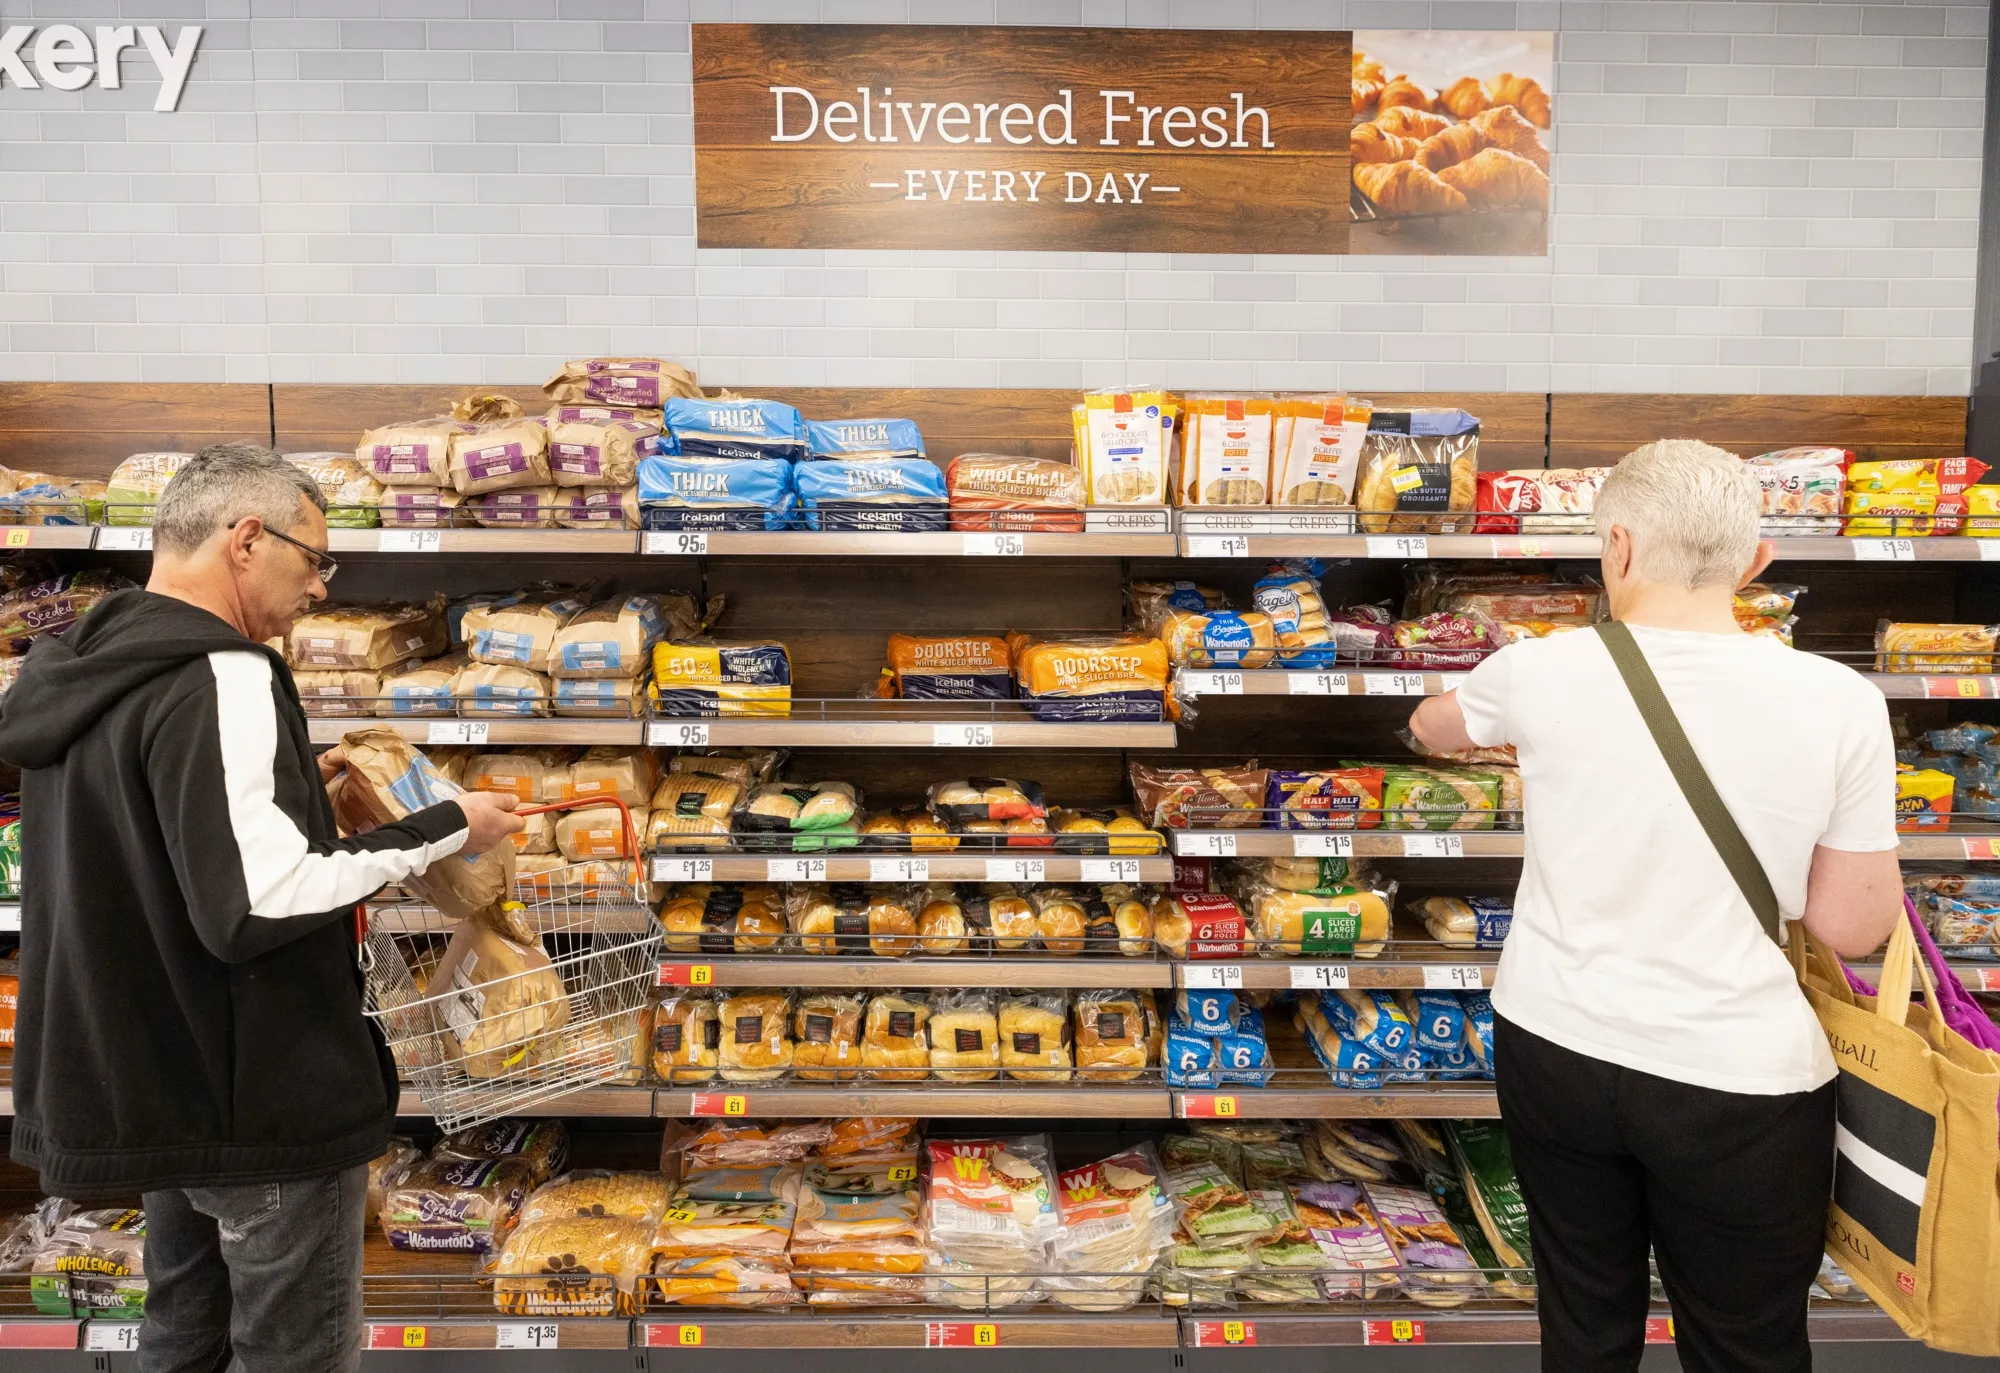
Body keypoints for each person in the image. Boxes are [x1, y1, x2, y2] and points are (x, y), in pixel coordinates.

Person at [0, 444, 523, 1373]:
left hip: (158, 1087)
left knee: (180, 1343)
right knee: (295, 1357)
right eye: (315, 560)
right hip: (258, 1104)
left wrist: (301, 805)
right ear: (247, 539)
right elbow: (257, 899)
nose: (321, 588)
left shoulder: (91, 662)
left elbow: (162, 854)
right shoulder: (225, 671)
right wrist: (449, 826)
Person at [1409, 439, 1901, 1373]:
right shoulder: (1840, 699)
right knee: (1744, 1340)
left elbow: (1434, 724)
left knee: (1586, 1327)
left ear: (1618, 548)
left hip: (1556, 1048)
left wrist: (1498, 730)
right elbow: (1853, 926)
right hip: (1737, 1075)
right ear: (1757, 562)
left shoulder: (1541, 669)